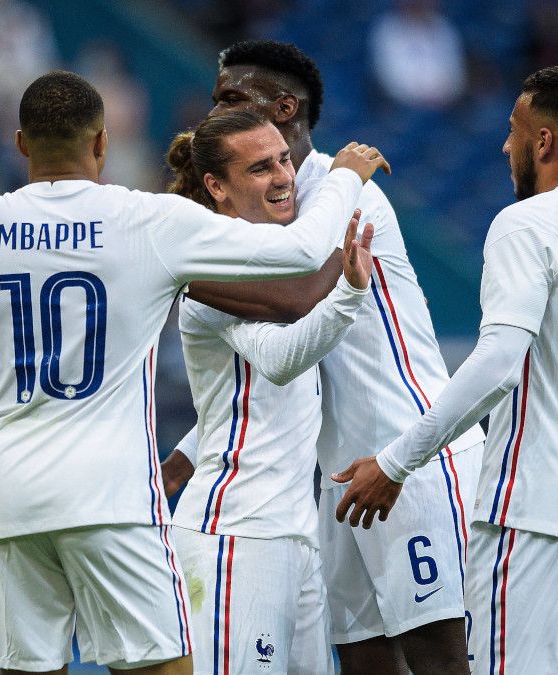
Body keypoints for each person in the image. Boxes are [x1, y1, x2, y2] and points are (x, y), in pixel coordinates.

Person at [0, 71, 389, 675]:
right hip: (117, 499)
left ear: (22, 143)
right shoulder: (146, 222)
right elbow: (295, 255)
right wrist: (344, 176)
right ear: (102, 142)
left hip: (10, 503)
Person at [332, 65, 558, 674]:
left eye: (513, 129)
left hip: (528, 507)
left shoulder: (525, 224)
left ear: (543, 141)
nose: (504, 145)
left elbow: (498, 362)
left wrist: (395, 463)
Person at [177, 39, 485, 675]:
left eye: (232, 98)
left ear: (284, 107)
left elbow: (292, 300)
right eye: (215, 101)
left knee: (439, 660)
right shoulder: (270, 211)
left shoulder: (346, 193)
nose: (215, 112)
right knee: (365, 660)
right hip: (341, 478)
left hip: (410, 458)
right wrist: (185, 454)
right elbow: (264, 364)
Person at [163, 110, 373, 674]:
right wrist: (349, 288)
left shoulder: (265, 262)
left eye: (284, 158)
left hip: (296, 536)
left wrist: (179, 460)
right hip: (235, 537)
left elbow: (240, 400)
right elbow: (281, 360)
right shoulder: (209, 268)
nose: (283, 176)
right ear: (217, 187)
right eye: (260, 168)